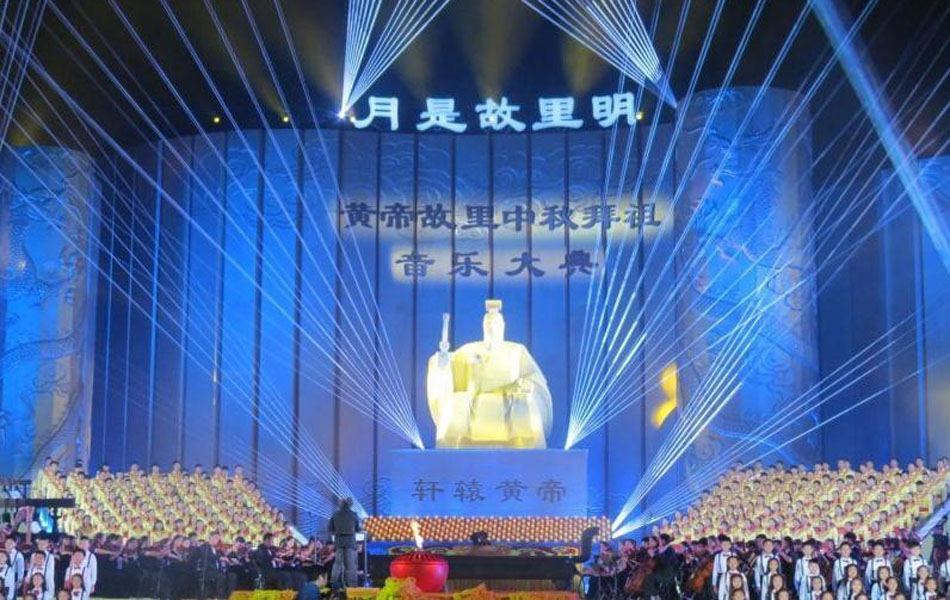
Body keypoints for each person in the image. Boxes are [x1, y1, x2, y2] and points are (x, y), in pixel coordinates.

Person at [328, 498, 361, 590]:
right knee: (350, 565)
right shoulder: (354, 515)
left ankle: (333, 583)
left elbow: (330, 528)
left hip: (339, 542)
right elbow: (358, 529)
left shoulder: (335, 514)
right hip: (350, 542)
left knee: (337, 563)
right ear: (350, 505)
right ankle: (352, 586)